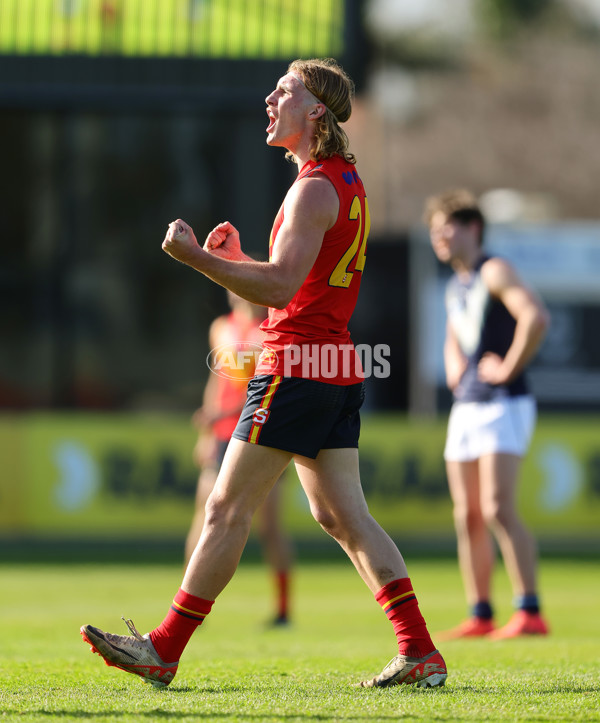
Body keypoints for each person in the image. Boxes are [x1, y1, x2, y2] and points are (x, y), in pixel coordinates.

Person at [81, 57, 447, 690]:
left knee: (225, 507)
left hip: (296, 367)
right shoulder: (341, 180)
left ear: (316, 113)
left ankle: (163, 648)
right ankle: (419, 650)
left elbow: (281, 288)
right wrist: (241, 260)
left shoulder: (311, 187)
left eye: (286, 91)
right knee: (342, 517)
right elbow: (296, 284)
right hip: (331, 363)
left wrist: (196, 259)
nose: (271, 98)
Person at [424, 189, 551, 640]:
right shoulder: (454, 285)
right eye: (435, 227)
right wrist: (455, 366)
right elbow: (455, 336)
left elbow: (535, 317)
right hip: (468, 407)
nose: (439, 234)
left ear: (473, 228)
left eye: (448, 225)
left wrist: (508, 368)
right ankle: (480, 613)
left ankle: (530, 612)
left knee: (498, 509)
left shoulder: (493, 269)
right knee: (468, 515)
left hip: (504, 403)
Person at [187, 290, 293, 624]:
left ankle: (283, 609)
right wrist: (207, 431)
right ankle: (189, 609)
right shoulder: (221, 327)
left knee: (269, 527)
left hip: (262, 433)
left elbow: (265, 389)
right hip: (221, 436)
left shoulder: (270, 333)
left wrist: (220, 413)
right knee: (203, 519)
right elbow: (216, 380)